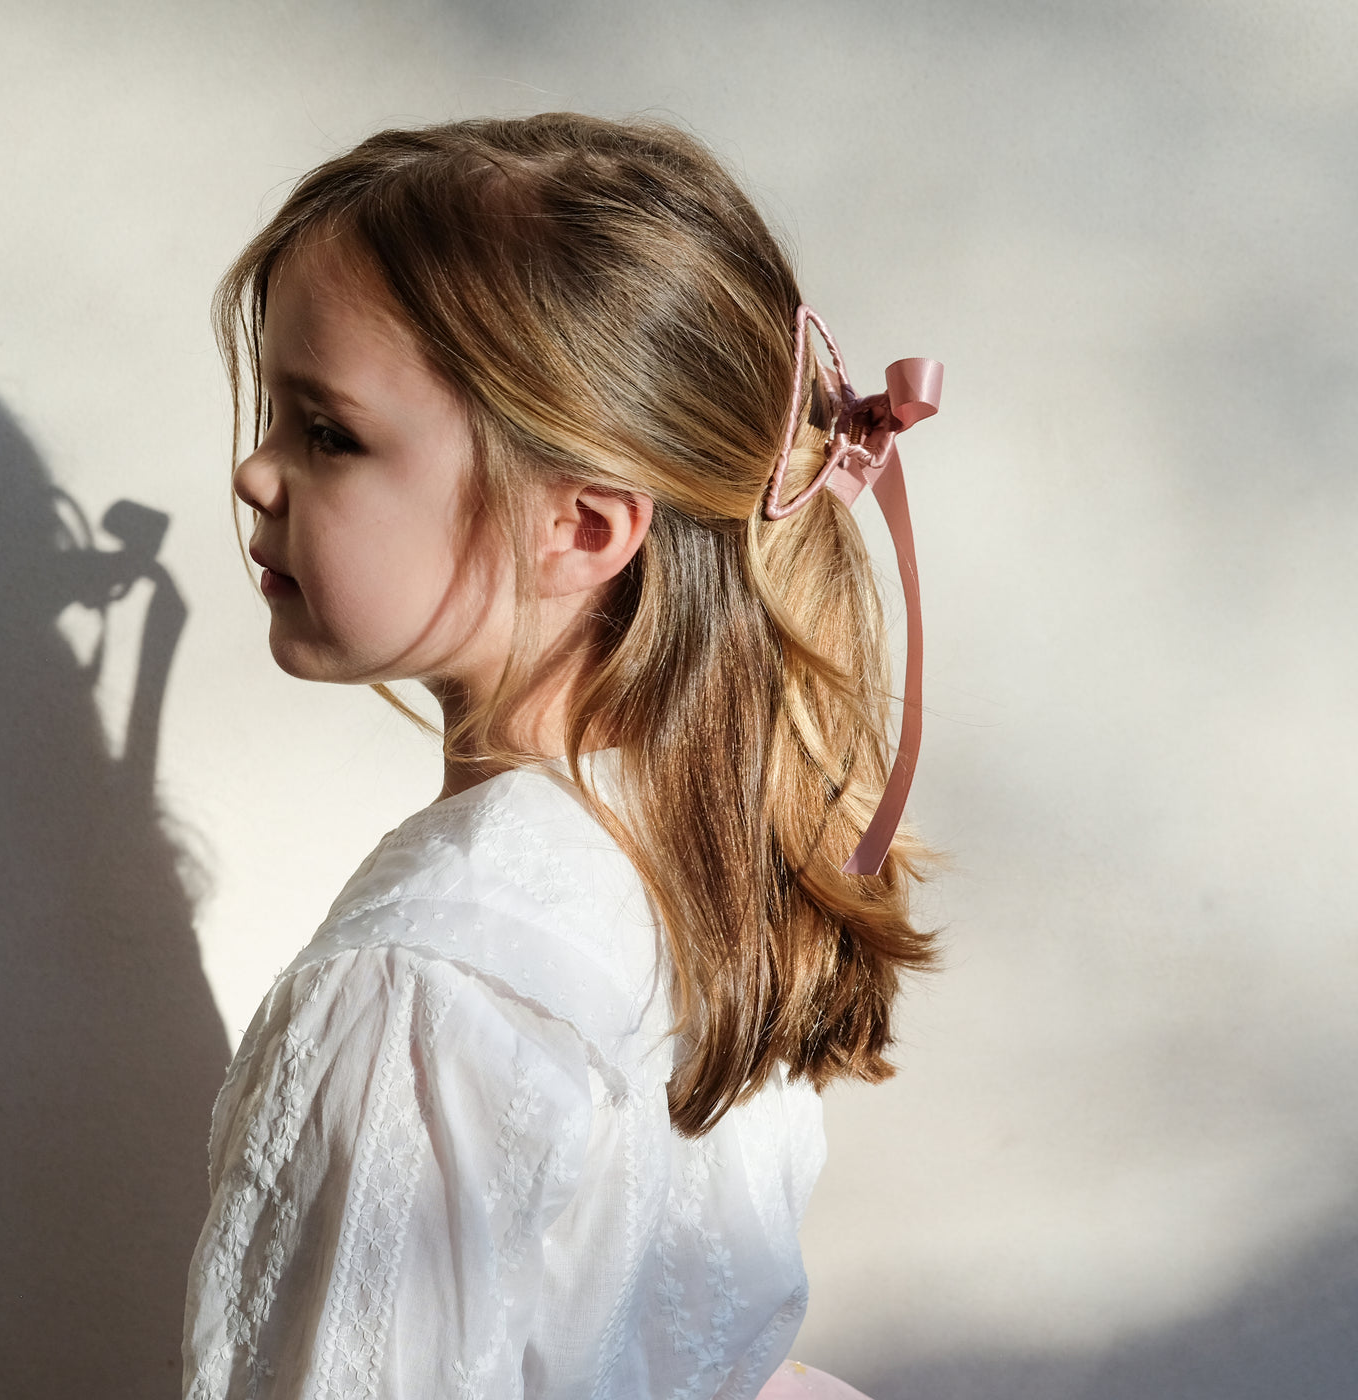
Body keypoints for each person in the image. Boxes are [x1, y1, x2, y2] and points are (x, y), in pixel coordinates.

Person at [182, 113, 941, 1400]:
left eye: (328, 433)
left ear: (579, 527)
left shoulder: (429, 980)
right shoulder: (694, 854)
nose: (255, 474)